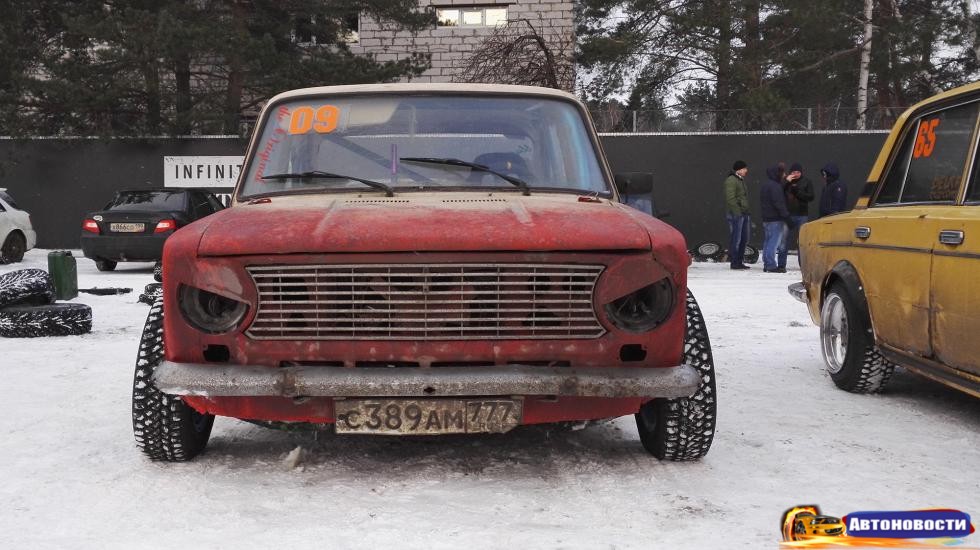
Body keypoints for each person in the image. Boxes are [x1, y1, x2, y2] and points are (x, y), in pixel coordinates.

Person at [781, 162, 814, 268]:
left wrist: (798, 192)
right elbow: (779, 192)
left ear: (801, 172)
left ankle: (803, 265)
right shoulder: (786, 182)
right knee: (784, 240)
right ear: (790, 172)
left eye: (798, 172)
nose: (796, 174)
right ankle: (781, 264)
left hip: (802, 215)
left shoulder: (807, 182)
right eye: (794, 172)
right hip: (788, 215)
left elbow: (811, 197)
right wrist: (786, 182)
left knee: (802, 241)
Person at [760, 164, 790, 273]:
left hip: (767, 218)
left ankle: (767, 263)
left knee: (768, 241)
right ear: (778, 173)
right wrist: (786, 216)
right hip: (775, 219)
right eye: (783, 173)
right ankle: (771, 265)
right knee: (773, 243)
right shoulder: (775, 186)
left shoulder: (766, 185)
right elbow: (779, 203)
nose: (784, 175)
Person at [723, 160, 751, 270]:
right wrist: (738, 212)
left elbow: (742, 197)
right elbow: (730, 198)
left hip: (743, 213)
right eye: (744, 169)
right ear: (738, 170)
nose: (746, 170)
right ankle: (734, 262)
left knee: (744, 238)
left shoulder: (740, 180)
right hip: (736, 214)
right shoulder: (731, 180)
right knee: (737, 239)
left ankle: (739, 261)